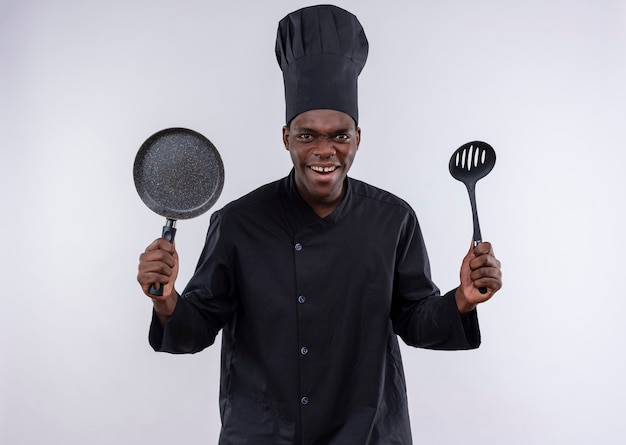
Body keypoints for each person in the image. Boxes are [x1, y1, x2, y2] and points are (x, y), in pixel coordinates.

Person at [137, 5, 502, 445]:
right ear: (286, 136)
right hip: (263, 434)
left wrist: (461, 299)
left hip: (368, 433)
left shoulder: (392, 219)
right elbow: (194, 328)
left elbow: (415, 321)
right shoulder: (237, 223)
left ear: (358, 138)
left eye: (339, 135)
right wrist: (167, 299)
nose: (324, 150)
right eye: (308, 135)